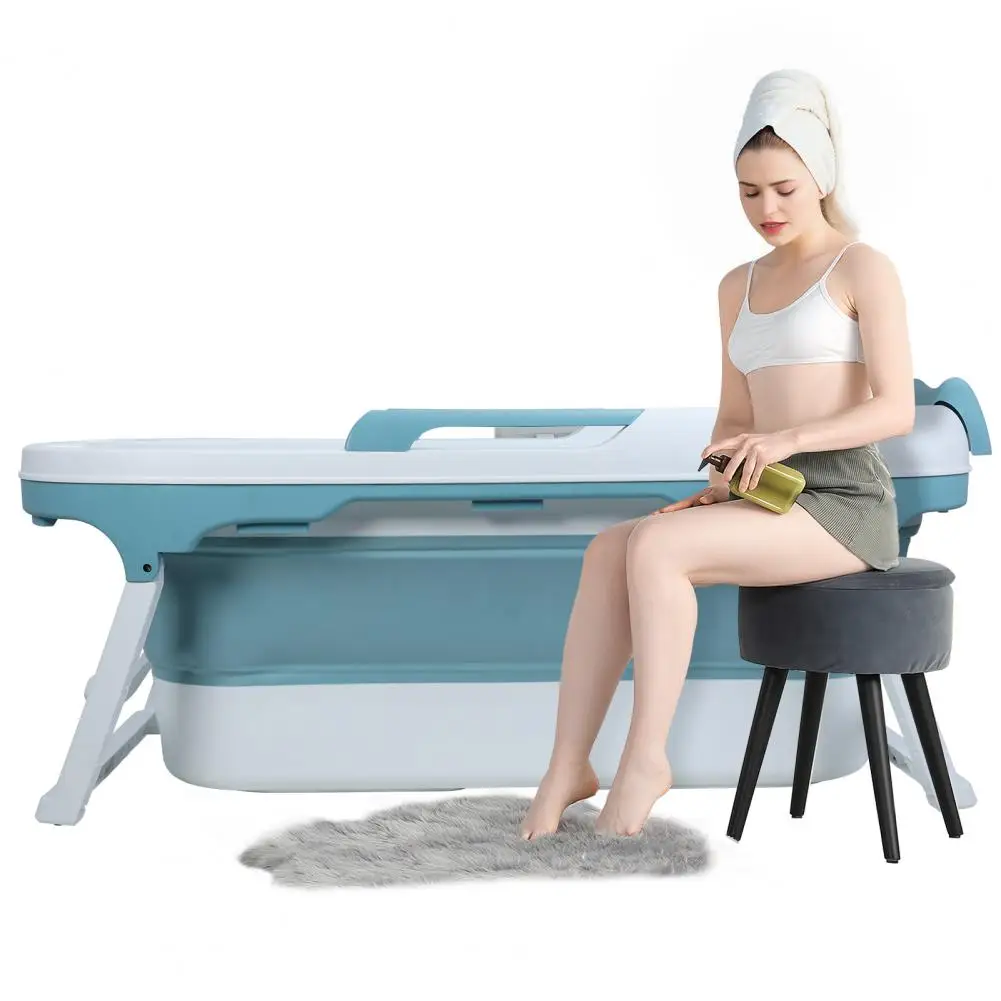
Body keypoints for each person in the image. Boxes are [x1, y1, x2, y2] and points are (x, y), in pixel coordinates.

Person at [519, 68, 914, 839]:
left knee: (657, 548)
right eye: (748, 191)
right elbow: (735, 417)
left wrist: (785, 439)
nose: (766, 209)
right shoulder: (737, 285)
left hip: (841, 506)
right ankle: (567, 765)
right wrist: (721, 483)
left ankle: (645, 760)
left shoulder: (860, 267)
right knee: (609, 549)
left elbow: (892, 408)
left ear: (820, 177)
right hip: (769, 495)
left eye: (783, 189)